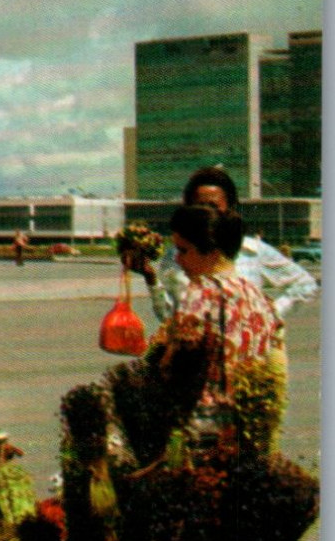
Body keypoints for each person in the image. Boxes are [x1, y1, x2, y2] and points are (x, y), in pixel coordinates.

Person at [126, 166, 317, 323]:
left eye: (213, 207)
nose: (205, 214)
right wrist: (151, 279)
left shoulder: (252, 251)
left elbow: (304, 284)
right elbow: (169, 317)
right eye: (198, 207)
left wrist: (269, 314)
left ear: (230, 208)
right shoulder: (177, 256)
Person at [157, 203, 284, 438]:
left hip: (203, 427)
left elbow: (173, 364)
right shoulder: (260, 298)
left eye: (184, 251)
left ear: (212, 253)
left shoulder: (201, 293)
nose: (178, 259)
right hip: (249, 426)